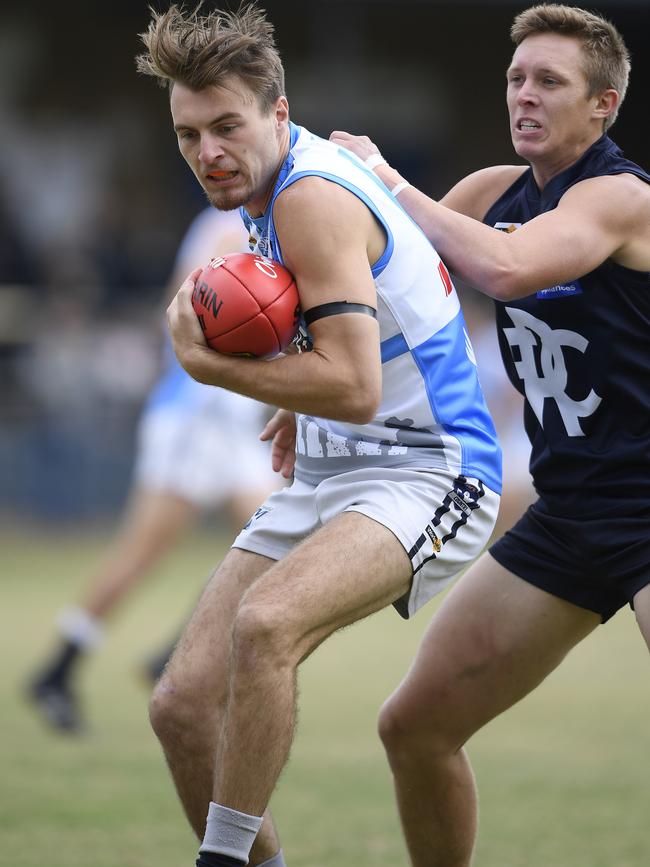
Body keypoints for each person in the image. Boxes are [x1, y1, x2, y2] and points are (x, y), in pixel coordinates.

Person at [136, 4, 501, 866]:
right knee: (181, 705)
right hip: (339, 468)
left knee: (265, 627)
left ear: (279, 114)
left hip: (433, 471)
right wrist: (300, 402)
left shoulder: (309, 199)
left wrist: (210, 365)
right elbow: (352, 347)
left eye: (227, 126)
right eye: (189, 135)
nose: (208, 152)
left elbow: (356, 384)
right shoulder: (272, 186)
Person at [331, 4, 650, 864]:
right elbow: (393, 300)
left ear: (605, 105)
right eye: (517, 78)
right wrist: (307, 389)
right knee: (415, 726)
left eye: (551, 81)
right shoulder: (486, 195)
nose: (526, 94)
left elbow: (507, 266)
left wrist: (390, 181)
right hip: (572, 511)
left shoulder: (623, 197)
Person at [28, 206, 279, 734]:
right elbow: (196, 311)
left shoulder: (271, 214)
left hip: (231, 414)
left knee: (272, 542)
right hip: (198, 411)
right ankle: (59, 670)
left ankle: (174, 654)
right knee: (143, 551)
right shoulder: (231, 226)